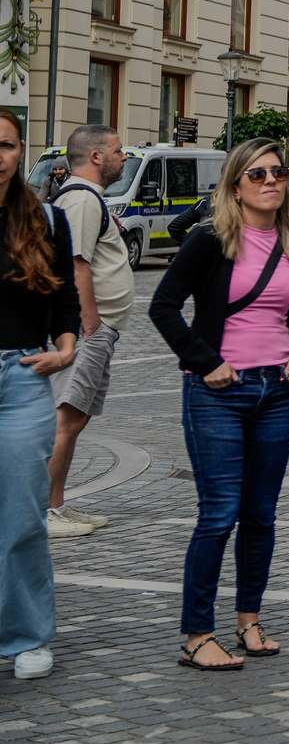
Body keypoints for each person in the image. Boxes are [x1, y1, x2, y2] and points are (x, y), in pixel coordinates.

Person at [150, 137, 289, 669]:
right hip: (219, 392)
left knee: (261, 515)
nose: (271, 182)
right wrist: (205, 361)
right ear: (236, 186)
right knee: (219, 515)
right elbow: (163, 307)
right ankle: (198, 633)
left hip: (277, 391)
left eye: (278, 173)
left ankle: (249, 620)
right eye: (257, 175)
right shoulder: (210, 240)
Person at [0, 108, 77, 679]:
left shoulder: (45, 219)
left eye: (4, 145)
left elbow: (67, 297)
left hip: (21, 378)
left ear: (19, 151)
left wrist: (67, 348)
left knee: (23, 513)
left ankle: (26, 637)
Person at [42, 125, 131, 533]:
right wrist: (88, 323)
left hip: (97, 328)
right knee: (66, 417)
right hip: (88, 329)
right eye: (117, 150)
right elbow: (76, 262)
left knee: (76, 419)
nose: (124, 156)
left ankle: (56, 503)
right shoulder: (80, 198)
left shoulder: (87, 197)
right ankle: (42, 511)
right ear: (96, 157)